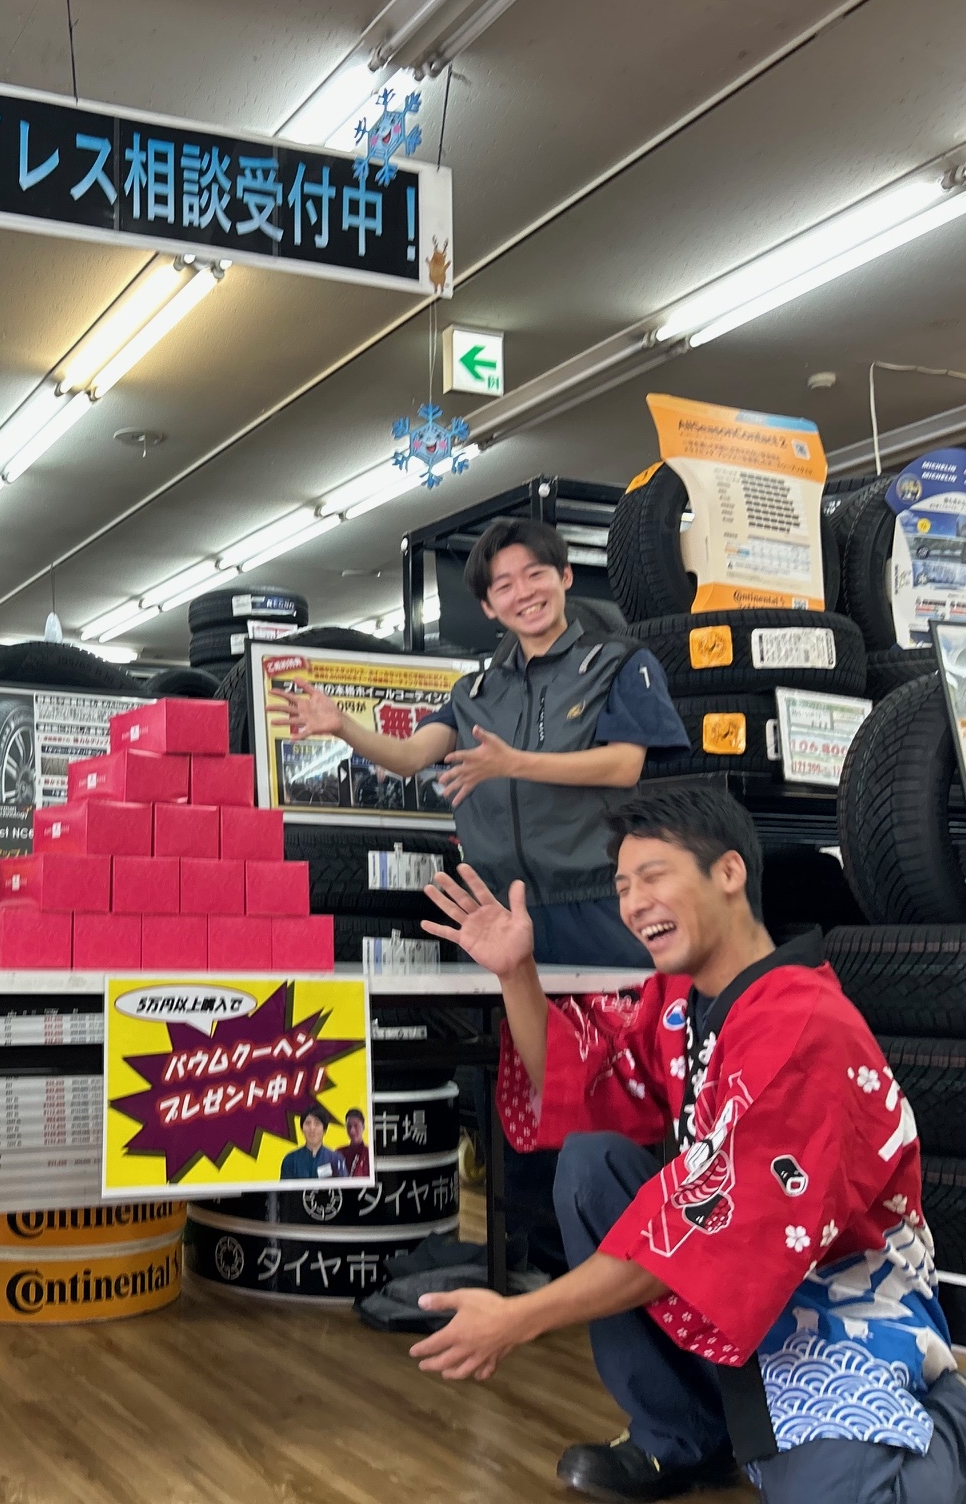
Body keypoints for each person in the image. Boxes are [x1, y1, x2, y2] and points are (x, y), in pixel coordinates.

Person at [407, 785, 966, 1504]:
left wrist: (517, 1318)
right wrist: (517, 972)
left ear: (730, 872)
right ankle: (680, 1439)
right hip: (728, 1271)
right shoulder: (676, 1001)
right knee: (592, 1164)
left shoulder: (804, 1027)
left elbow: (708, 1230)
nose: (634, 903)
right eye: (622, 886)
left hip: (834, 1297)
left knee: (836, 1497)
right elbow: (581, 1081)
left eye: (654, 876)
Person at [278, 516, 689, 1271]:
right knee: (516, 1080)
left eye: (536, 574)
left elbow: (624, 765)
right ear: (489, 606)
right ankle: (531, 1251)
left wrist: (515, 764)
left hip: (599, 905)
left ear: (565, 578)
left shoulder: (617, 663)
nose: (523, 592)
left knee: (614, 1073)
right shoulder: (473, 692)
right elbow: (411, 756)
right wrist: (343, 727)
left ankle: (631, 1252)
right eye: (504, 585)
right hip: (502, 917)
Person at [279, 1107, 346, 1180]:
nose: (312, 1128)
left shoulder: (336, 1159)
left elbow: (345, 1185)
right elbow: (285, 1187)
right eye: (308, 1123)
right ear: (302, 1129)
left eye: (317, 1124)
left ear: (324, 1129)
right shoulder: (290, 1160)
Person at [337, 1107, 372, 1179]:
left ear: (363, 1127)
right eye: (349, 1126)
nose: (352, 1131)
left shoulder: (369, 1153)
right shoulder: (339, 1153)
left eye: (356, 1126)